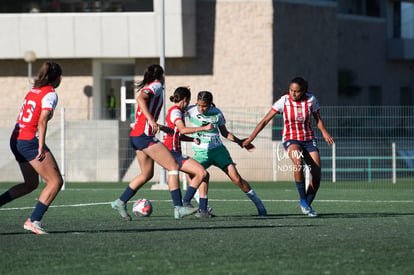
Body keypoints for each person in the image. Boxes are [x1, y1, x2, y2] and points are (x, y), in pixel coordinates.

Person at [111, 64, 198, 220]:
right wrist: (152, 120)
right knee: (173, 166)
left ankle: (120, 201)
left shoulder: (154, 86)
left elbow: (144, 112)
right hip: (143, 136)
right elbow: (140, 99)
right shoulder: (157, 85)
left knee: (146, 174)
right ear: (162, 76)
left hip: (136, 135)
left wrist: (162, 127)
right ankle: (178, 208)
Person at [242, 77, 335, 217]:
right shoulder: (283, 101)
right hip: (291, 138)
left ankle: (306, 205)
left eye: (297, 91)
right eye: (291, 90)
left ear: (303, 91)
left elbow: (318, 119)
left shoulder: (311, 100)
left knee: (316, 175)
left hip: (309, 139)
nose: (293, 94)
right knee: (298, 163)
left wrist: (324, 132)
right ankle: (303, 200)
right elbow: (265, 120)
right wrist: (250, 138)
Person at [0, 62, 64, 234]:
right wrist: (41, 145)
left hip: (16, 139)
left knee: (31, 184)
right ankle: (34, 220)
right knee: (56, 181)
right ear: (59, 78)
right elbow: (42, 120)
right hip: (29, 141)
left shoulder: (32, 91)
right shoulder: (50, 94)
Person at [186, 91, 267, 216]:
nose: (201, 109)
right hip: (201, 153)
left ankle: (259, 205)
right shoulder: (191, 110)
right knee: (191, 173)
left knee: (237, 179)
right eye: (199, 105)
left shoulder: (217, 112)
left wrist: (239, 142)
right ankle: (203, 207)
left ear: (210, 104)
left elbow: (225, 133)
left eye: (204, 106)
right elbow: (177, 110)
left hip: (219, 152)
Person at [164, 87, 213, 218]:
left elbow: (177, 134)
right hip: (172, 153)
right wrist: (204, 127)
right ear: (185, 99)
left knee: (204, 175)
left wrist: (192, 139)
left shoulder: (175, 111)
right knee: (201, 173)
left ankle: (203, 210)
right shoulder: (176, 112)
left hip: (173, 152)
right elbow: (183, 129)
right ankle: (185, 202)